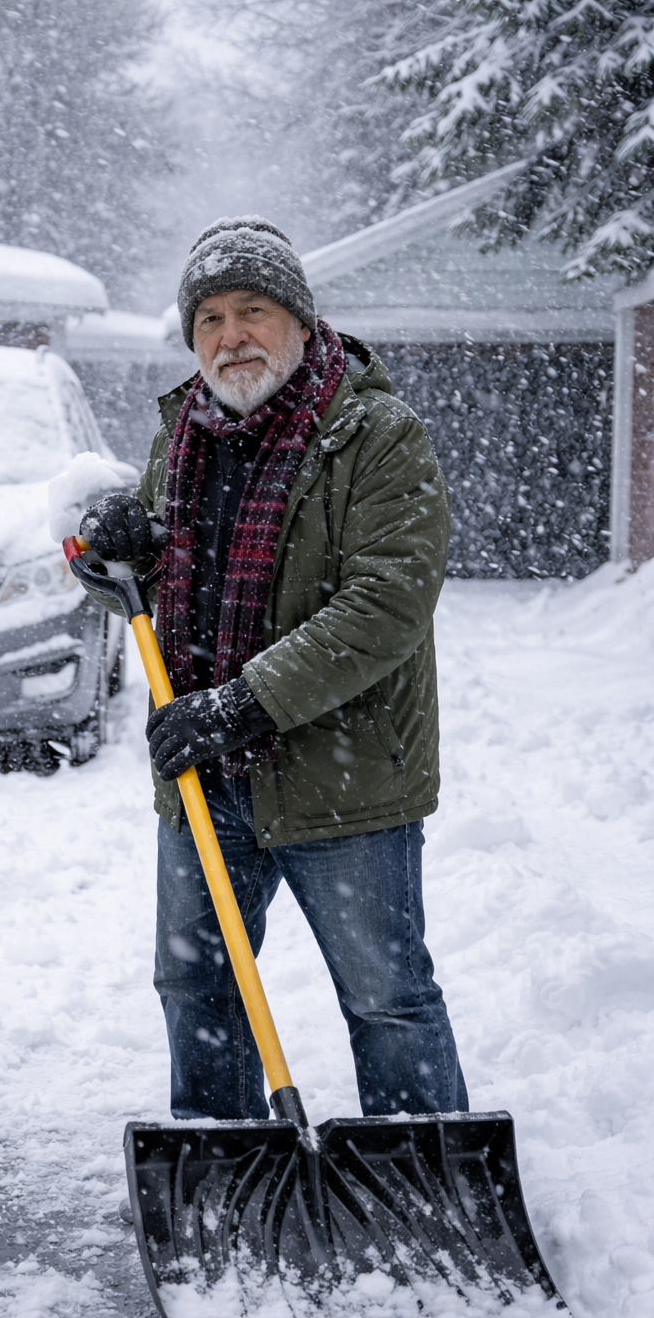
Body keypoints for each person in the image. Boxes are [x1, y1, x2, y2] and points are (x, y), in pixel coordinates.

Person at [81, 216, 468, 1123]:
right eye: (209, 318)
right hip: (204, 775)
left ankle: (422, 1177)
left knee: (385, 996)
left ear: (299, 321)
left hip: (343, 776)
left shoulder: (375, 434)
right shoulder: (182, 434)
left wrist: (244, 703)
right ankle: (221, 1169)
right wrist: (109, 556)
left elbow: (387, 606)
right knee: (195, 987)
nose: (231, 336)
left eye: (253, 310)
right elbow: (142, 592)